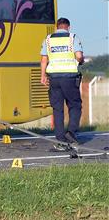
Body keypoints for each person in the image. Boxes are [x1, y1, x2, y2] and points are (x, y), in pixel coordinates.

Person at [40, 17, 84, 148]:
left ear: (57, 27)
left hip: (54, 78)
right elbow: (79, 56)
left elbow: (43, 59)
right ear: (68, 27)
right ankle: (71, 133)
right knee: (75, 105)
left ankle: (60, 140)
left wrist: (43, 76)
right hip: (70, 77)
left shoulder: (48, 39)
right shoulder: (72, 38)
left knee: (57, 109)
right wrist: (81, 61)